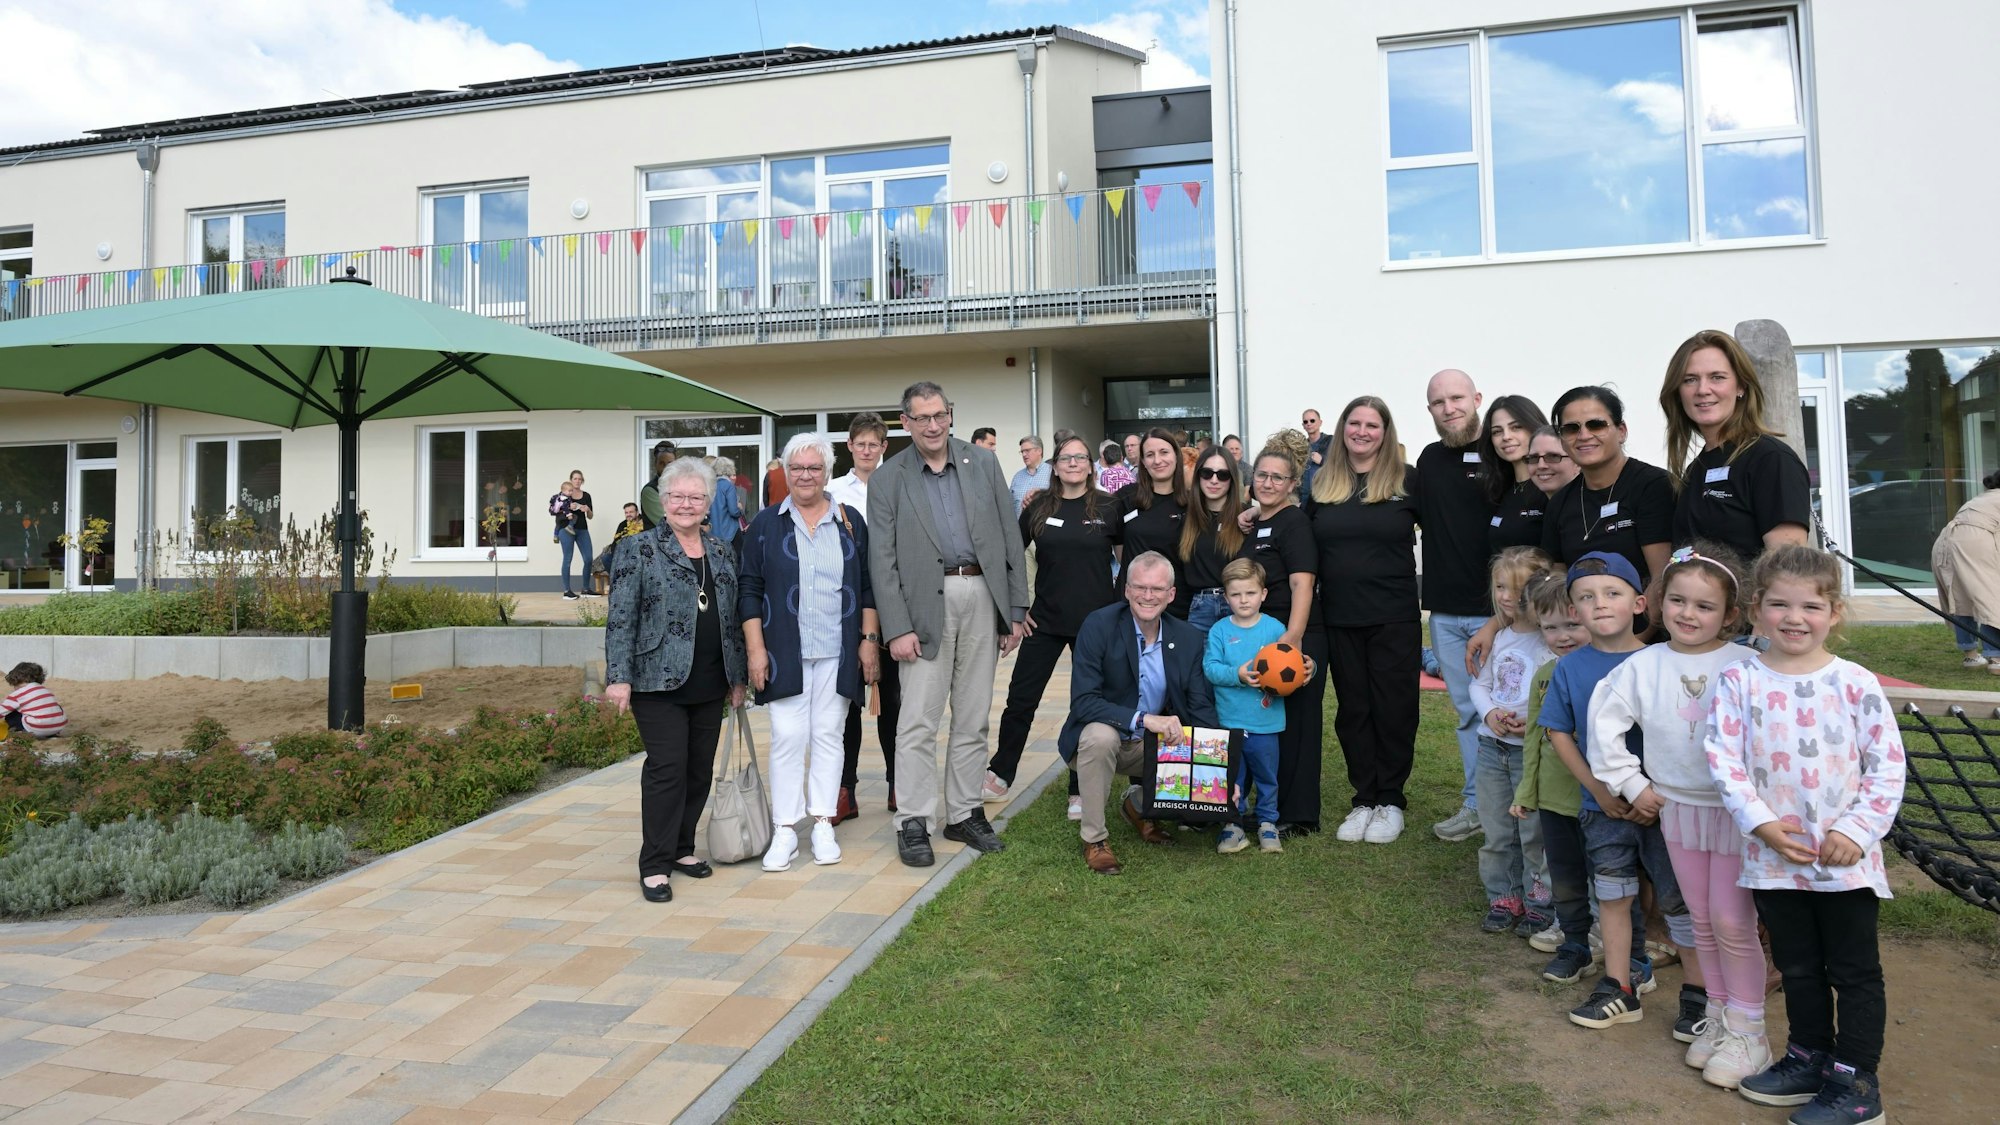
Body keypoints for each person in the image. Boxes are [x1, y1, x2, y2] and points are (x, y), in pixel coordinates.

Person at [1706, 545, 1904, 1123]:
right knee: (1795, 966)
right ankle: (1809, 1057)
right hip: (1773, 857)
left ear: (1834, 611)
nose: (1795, 618)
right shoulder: (1739, 679)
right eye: (1779, 604)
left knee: (1853, 970)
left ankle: (1856, 1085)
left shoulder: (1855, 683)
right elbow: (1724, 760)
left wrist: (1858, 830)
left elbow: (1887, 766)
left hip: (1846, 863)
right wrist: (1762, 825)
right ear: (1754, 609)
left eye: (1811, 606)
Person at [1590, 543, 1753, 1083]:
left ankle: (1747, 1027)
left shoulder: (1747, 664)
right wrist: (1633, 785)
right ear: (1658, 603)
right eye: (1677, 601)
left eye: (1704, 606)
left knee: (1733, 920)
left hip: (1736, 815)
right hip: (1677, 811)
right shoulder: (1643, 665)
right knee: (1702, 918)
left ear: (1730, 614)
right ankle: (1715, 1013)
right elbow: (1603, 725)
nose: (1688, 614)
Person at [869, 380, 1028, 867]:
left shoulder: (982, 463)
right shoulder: (889, 477)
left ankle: (963, 812)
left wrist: (1015, 611)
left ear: (950, 415)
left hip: (981, 594)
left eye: (940, 415)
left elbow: (1009, 535)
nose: (933, 425)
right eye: (922, 418)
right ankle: (913, 820)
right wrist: (896, 627)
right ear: (906, 423)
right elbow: (883, 558)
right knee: (917, 720)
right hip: (921, 606)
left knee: (974, 715)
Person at [1538, 553, 1676, 1028]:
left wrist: (1653, 795)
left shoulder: (1662, 660)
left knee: (1678, 900)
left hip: (1664, 807)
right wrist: (1598, 791)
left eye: (1613, 593)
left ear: (1639, 603)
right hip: (1602, 809)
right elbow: (1559, 732)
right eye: (1586, 597)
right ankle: (1620, 983)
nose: (1600, 604)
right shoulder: (1571, 668)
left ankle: (1701, 995)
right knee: (1614, 893)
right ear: (1573, 610)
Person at [604, 457, 747, 904]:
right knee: (667, 770)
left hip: (709, 681)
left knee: (698, 770)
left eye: (696, 497)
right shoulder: (638, 549)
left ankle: (683, 849)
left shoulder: (722, 550)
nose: (686, 504)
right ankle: (654, 863)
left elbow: (732, 619)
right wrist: (618, 678)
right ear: (663, 501)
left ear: (709, 503)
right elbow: (621, 616)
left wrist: (738, 677)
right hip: (655, 680)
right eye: (677, 496)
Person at [738, 434, 879, 872]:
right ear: (784, 472)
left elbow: (868, 585)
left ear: (827, 472)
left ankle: (822, 821)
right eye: (796, 468)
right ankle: (784, 828)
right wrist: (756, 650)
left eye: (814, 468)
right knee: (786, 736)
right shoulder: (766, 523)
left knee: (828, 735)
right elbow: (749, 588)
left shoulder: (849, 520)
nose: (804, 476)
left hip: (837, 651)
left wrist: (869, 641)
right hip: (783, 651)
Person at [1060, 551, 1220, 875]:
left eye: (1157, 589)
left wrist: (1219, 767)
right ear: (1127, 590)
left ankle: (1137, 805)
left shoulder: (1187, 637)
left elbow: (1200, 704)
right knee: (1100, 736)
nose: (1148, 596)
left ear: (1171, 594)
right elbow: (1084, 701)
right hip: (1100, 739)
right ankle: (1095, 839)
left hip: (1148, 744)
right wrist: (1144, 719)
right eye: (1140, 587)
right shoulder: (1098, 625)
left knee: (1202, 804)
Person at [1308, 396, 1420, 846]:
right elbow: (1298, 531)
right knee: (1353, 710)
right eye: (1354, 423)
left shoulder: (1407, 480)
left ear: (1385, 431)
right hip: (1339, 616)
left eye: (1372, 425)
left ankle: (1390, 799)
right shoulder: (1322, 483)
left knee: (1392, 708)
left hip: (1393, 615)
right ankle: (1364, 798)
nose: (1362, 431)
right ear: (1343, 428)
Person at [985, 434, 1120, 800]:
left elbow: (1126, 561)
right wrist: (1019, 608)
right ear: (1054, 467)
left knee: (1086, 706)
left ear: (1091, 466)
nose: (1073, 463)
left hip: (1095, 625)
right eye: (1066, 458)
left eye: (1080, 457)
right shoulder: (1039, 506)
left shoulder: (1109, 507)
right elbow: (1014, 559)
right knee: (1021, 699)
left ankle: (1080, 786)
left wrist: (1119, 612)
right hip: (1043, 620)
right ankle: (1001, 771)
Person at [1418, 369, 1499, 846]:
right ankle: (1475, 805)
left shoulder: (1502, 452)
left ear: (1476, 399)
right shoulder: (1428, 460)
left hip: (1498, 612)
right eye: (1438, 402)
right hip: (1445, 613)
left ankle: (1515, 804)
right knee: (1468, 711)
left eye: (1456, 399)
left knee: (1508, 708)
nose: (1448, 409)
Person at [1468, 547, 1557, 936]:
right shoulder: (1500, 637)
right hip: (1492, 748)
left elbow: (1556, 692)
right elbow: (1480, 685)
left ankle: (1541, 901)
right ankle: (1503, 896)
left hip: (1531, 751)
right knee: (1497, 828)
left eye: (1517, 588)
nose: (1507, 596)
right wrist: (1489, 714)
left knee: (1533, 832)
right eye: (1500, 586)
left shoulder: (1552, 640)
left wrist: (1532, 724)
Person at [1662, 329, 1812, 560]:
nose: (1702, 390)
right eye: (1690, 380)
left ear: (1741, 386)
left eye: (1717, 377)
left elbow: (1787, 572)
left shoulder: (1771, 459)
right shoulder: (1696, 469)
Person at [1243, 440, 1325, 836]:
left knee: (1298, 726)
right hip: (1262, 636)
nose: (1268, 482)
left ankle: (1300, 814)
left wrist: (1293, 639)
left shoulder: (1294, 522)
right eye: (1262, 475)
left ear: (1293, 482)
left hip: (1294, 635)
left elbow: (1302, 582)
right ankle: (1266, 806)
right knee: (1267, 722)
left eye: (1278, 477)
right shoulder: (1256, 521)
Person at [1512, 573, 1591, 962]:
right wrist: (1527, 790)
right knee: (1563, 869)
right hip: (1554, 797)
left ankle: (1599, 930)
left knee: (1601, 870)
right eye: (1551, 627)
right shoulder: (1543, 676)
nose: (1563, 636)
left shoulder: (1611, 672)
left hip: (1596, 798)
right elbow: (1534, 739)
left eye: (1573, 624)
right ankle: (1568, 923)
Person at [828, 412, 901, 819]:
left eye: (875, 443)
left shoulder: (901, 484)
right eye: (861, 443)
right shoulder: (833, 490)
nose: (867, 450)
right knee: (847, 699)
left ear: (884, 447)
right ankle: (845, 789)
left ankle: (896, 783)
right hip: (848, 600)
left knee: (892, 699)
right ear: (850, 446)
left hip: (893, 599)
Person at [1540, 385, 1675, 595]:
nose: (1584, 435)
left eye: (1596, 425)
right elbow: (1558, 584)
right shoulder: (1559, 502)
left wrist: (1633, 630)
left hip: (1645, 623)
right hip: (1581, 624)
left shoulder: (1653, 485)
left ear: (1621, 431)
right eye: (1571, 428)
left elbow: (1662, 580)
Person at [1203, 559, 1292, 855]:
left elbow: (1293, 664)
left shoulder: (1275, 628)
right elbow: (1210, 668)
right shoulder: (1219, 631)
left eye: (1250, 593)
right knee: (1232, 777)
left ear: (1263, 594)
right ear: (1226, 597)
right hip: (1230, 723)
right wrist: (1237, 675)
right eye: (1236, 594)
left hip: (1266, 723)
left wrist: (1310, 668)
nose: (1243, 600)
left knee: (1268, 776)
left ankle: (1268, 823)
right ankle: (1233, 824)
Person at [1115, 428, 1191, 612]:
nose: (1157, 460)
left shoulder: (1192, 503)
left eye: (1164, 452)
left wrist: (1255, 511)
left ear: (1176, 456)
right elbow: (1119, 549)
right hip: (1131, 603)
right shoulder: (1126, 498)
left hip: (1177, 605)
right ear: (1143, 461)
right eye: (1150, 454)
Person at [1935, 469, 2000, 674]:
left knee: (1962, 598)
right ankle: (1996, 657)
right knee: (1992, 598)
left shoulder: (1984, 498)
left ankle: (1971, 656)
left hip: (1946, 541)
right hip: (1974, 541)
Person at [1179, 445, 1248, 631]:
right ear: (1198, 476)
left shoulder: (1246, 516)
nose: (1214, 480)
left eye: (1223, 475)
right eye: (1207, 473)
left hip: (1239, 606)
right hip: (1199, 608)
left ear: (1232, 479)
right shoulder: (1185, 517)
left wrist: (1256, 511)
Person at [1480, 396, 1554, 552]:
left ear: (1535, 427)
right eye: (1497, 431)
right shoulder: (1498, 491)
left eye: (1516, 427)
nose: (1506, 437)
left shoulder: (1554, 486)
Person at [1, 662, 65, 739]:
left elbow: (2, 711)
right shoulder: (45, 690)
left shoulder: (19, 693)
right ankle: (50, 734)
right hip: (58, 727)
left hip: (36, 728)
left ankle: (20, 732)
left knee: (11, 714)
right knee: (53, 707)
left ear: (16, 680)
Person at [598, 502, 654, 581]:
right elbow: (615, 542)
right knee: (606, 558)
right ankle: (618, 582)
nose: (628, 514)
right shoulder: (622, 525)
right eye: (626, 513)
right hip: (624, 555)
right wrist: (618, 555)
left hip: (641, 555)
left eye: (631, 512)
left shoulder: (646, 523)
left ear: (637, 513)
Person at [708, 456, 744, 551]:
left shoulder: (709, 486)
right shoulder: (728, 485)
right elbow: (733, 511)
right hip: (730, 531)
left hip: (712, 531)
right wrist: (740, 509)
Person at [1009, 435, 1050, 512]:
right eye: (1022, 452)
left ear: (1039, 451)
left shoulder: (1052, 473)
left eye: (1027, 450)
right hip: (1019, 523)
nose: (1024, 455)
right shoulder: (1017, 477)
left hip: (1043, 522)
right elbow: (1011, 505)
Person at [639, 440, 675, 526]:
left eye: (670, 463)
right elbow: (668, 524)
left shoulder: (682, 486)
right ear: (655, 464)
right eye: (661, 463)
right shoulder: (650, 490)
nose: (666, 467)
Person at [1298, 409, 1331, 495]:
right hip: (1304, 497)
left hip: (1324, 496)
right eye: (1305, 422)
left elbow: (1342, 466)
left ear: (1320, 422)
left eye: (1312, 420)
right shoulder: (1300, 446)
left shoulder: (1331, 441)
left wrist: (1322, 461)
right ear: (1303, 426)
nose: (1309, 423)